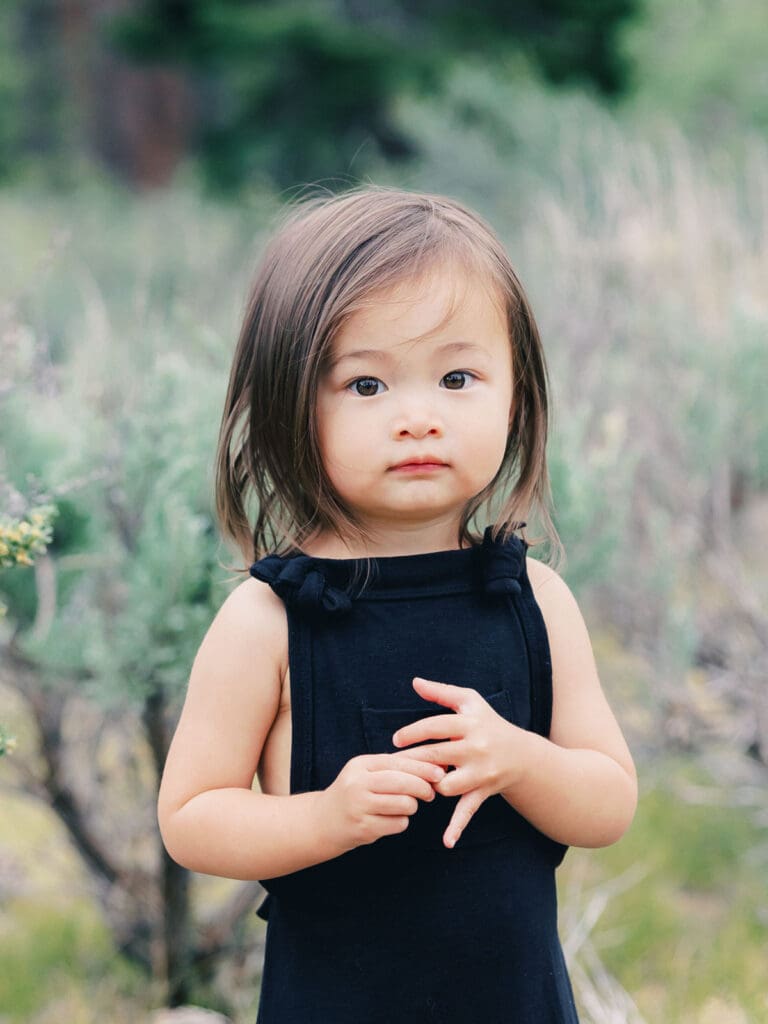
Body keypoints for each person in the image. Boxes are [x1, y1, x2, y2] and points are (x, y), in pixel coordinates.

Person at [157, 186, 638, 1023]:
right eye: (366, 385)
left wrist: (521, 760)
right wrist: (325, 817)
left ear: (515, 392)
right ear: (289, 404)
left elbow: (608, 804)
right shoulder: (271, 621)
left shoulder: (535, 600)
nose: (418, 418)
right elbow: (193, 818)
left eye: (458, 377)